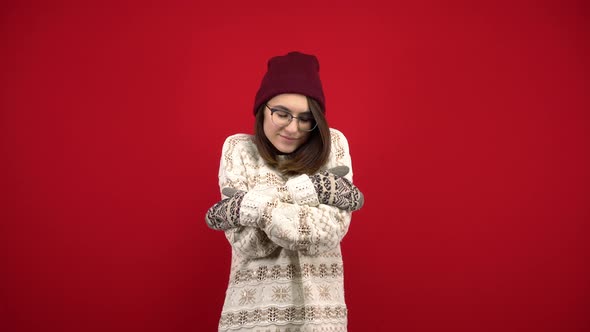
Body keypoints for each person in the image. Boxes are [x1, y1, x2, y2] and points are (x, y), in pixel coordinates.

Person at [205, 51, 365, 332]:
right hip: (252, 320)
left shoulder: (334, 146)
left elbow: (328, 232)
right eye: (282, 114)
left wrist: (251, 206)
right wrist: (314, 190)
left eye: (306, 118)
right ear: (262, 108)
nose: (293, 128)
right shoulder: (238, 149)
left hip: (320, 320)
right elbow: (251, 244)